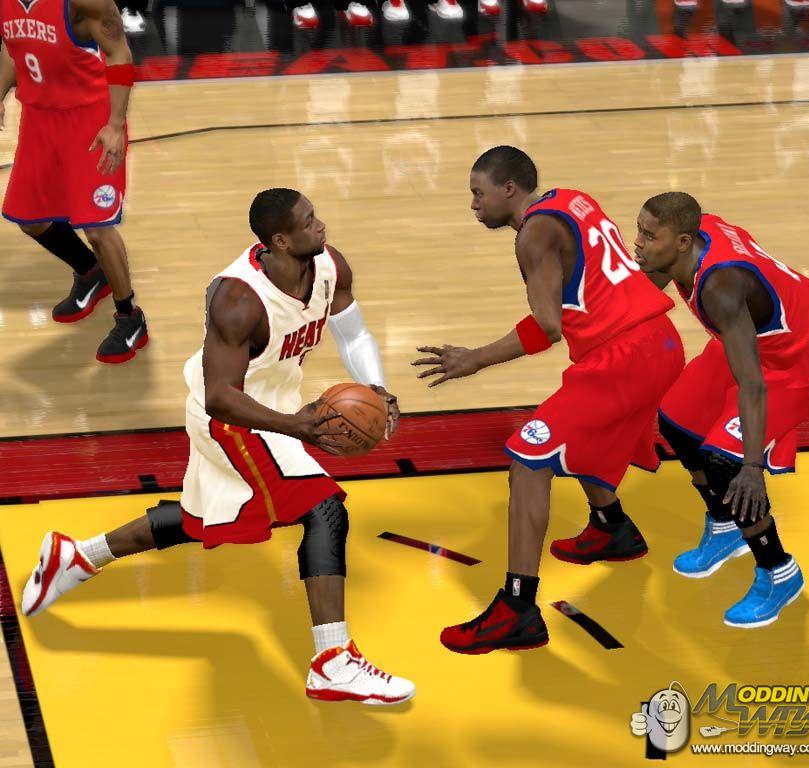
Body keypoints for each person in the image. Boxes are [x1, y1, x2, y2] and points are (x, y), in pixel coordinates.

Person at [21, 188, 416, 704]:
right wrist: (293, 427)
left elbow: (353, 332)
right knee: (324, 510)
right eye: (308, 221)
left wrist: (377, 388)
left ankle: (77, 556)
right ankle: (333, 663)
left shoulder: (329, 266)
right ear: (280, 240)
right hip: (233, 420)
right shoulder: (238, 300)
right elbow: (219, 397)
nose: (320, 226)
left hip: (280, 407)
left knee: (200, 520)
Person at [413, 146, 685, 654]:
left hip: (625, 357)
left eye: (478, 193)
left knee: (528, 459)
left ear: (509, 189)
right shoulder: (573, 199)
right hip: (661, 343)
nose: (473, 204)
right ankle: (612, 528)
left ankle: (517, 610)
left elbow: (547, 327)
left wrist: (474, 359)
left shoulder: (533, 235)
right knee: (579, 433)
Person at [634, 192, 809, 628]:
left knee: (726, 463)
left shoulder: (721, 290)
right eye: (640, 231)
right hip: (750, 339)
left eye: (650, 236)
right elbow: (646, 288)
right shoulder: (692, 237)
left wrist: (751, 465)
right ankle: (725, 526)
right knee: (675, 422)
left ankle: (778, 571)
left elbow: (753, 385)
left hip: (794, 360)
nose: (639, 242)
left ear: (683, 242)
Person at [0, 0, 148, 362]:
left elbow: (119, 52)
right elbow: (11, 49)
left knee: (97, 228)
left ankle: (130, 317)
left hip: (89, 117)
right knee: (30, 219)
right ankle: (91, 272)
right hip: (39, 117)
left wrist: (115, 125)